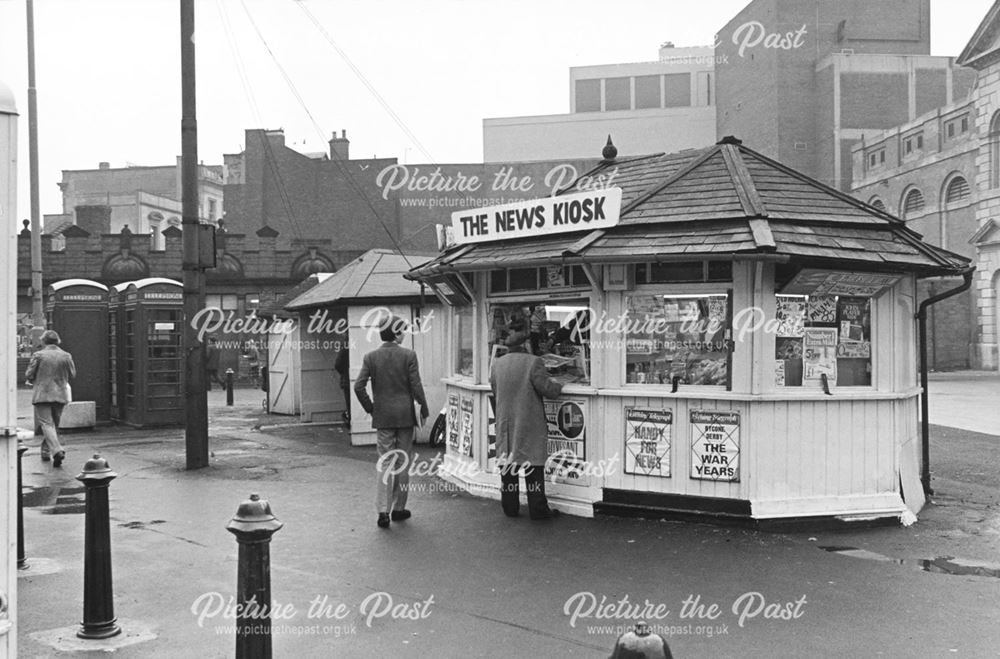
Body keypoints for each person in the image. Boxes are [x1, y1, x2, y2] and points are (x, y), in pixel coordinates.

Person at [354, 316, 429, 529]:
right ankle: (399, 509)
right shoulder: (408, 356)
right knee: (402, 462)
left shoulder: (371, 357)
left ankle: (382, 511)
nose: (404, 334)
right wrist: (423, 406)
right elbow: (416, 384)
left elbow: (358, 386)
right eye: (402, 331)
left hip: (383, 417)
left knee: (385, 462)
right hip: (405, 416)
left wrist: (371, 407)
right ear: (396, 333)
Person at [489, 328, 564, 520]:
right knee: (533, 465)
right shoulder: (534, 362)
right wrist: (558, 383)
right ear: (525, 345)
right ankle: (538, 509)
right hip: (528, 421)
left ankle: (510, 507)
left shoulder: (497, 364)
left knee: (508, 464)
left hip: (505, 420)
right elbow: (548, 389)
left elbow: (495, 390)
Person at [25, 330, 76, 468]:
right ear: (58, 341)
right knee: (53, 425)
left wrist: (32, 378)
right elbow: (73, 374)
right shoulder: (66, 355)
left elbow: (29, 373)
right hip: (60, 394)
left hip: (42, 394)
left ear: (44, 341)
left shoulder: (38, 355)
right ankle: (46, 451)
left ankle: (56, 450)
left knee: (47, 425)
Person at [334, 345, 351, 428]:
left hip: (347, 380)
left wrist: (344, 373)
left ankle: (350, 424)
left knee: (349, 406)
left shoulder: (345, 347)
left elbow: (338, 364)